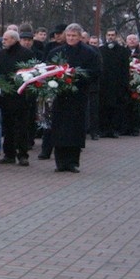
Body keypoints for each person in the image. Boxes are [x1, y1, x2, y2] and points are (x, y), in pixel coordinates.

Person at [47, 23, 101, 172]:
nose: (71, 38)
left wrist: (76, 76)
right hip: (60, 96)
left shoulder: (90, 53)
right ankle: (60, 162)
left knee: (75, 129)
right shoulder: (56, 52)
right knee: (59, 129)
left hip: (78, 95)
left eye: (74, 36)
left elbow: (95, 72)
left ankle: (72, 162)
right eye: (69, 35)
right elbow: (48, 69)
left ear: (80, 36)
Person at [0, 30, 34, 166]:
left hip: (22, 95)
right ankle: (9, 154)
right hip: (6, 95)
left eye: (6, 39)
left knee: (22, 126)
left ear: (14, 39)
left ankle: (23, 155)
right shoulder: (2, 54)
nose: (3, 41)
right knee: (8, 126)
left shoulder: (26, 54)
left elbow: (32, 73)